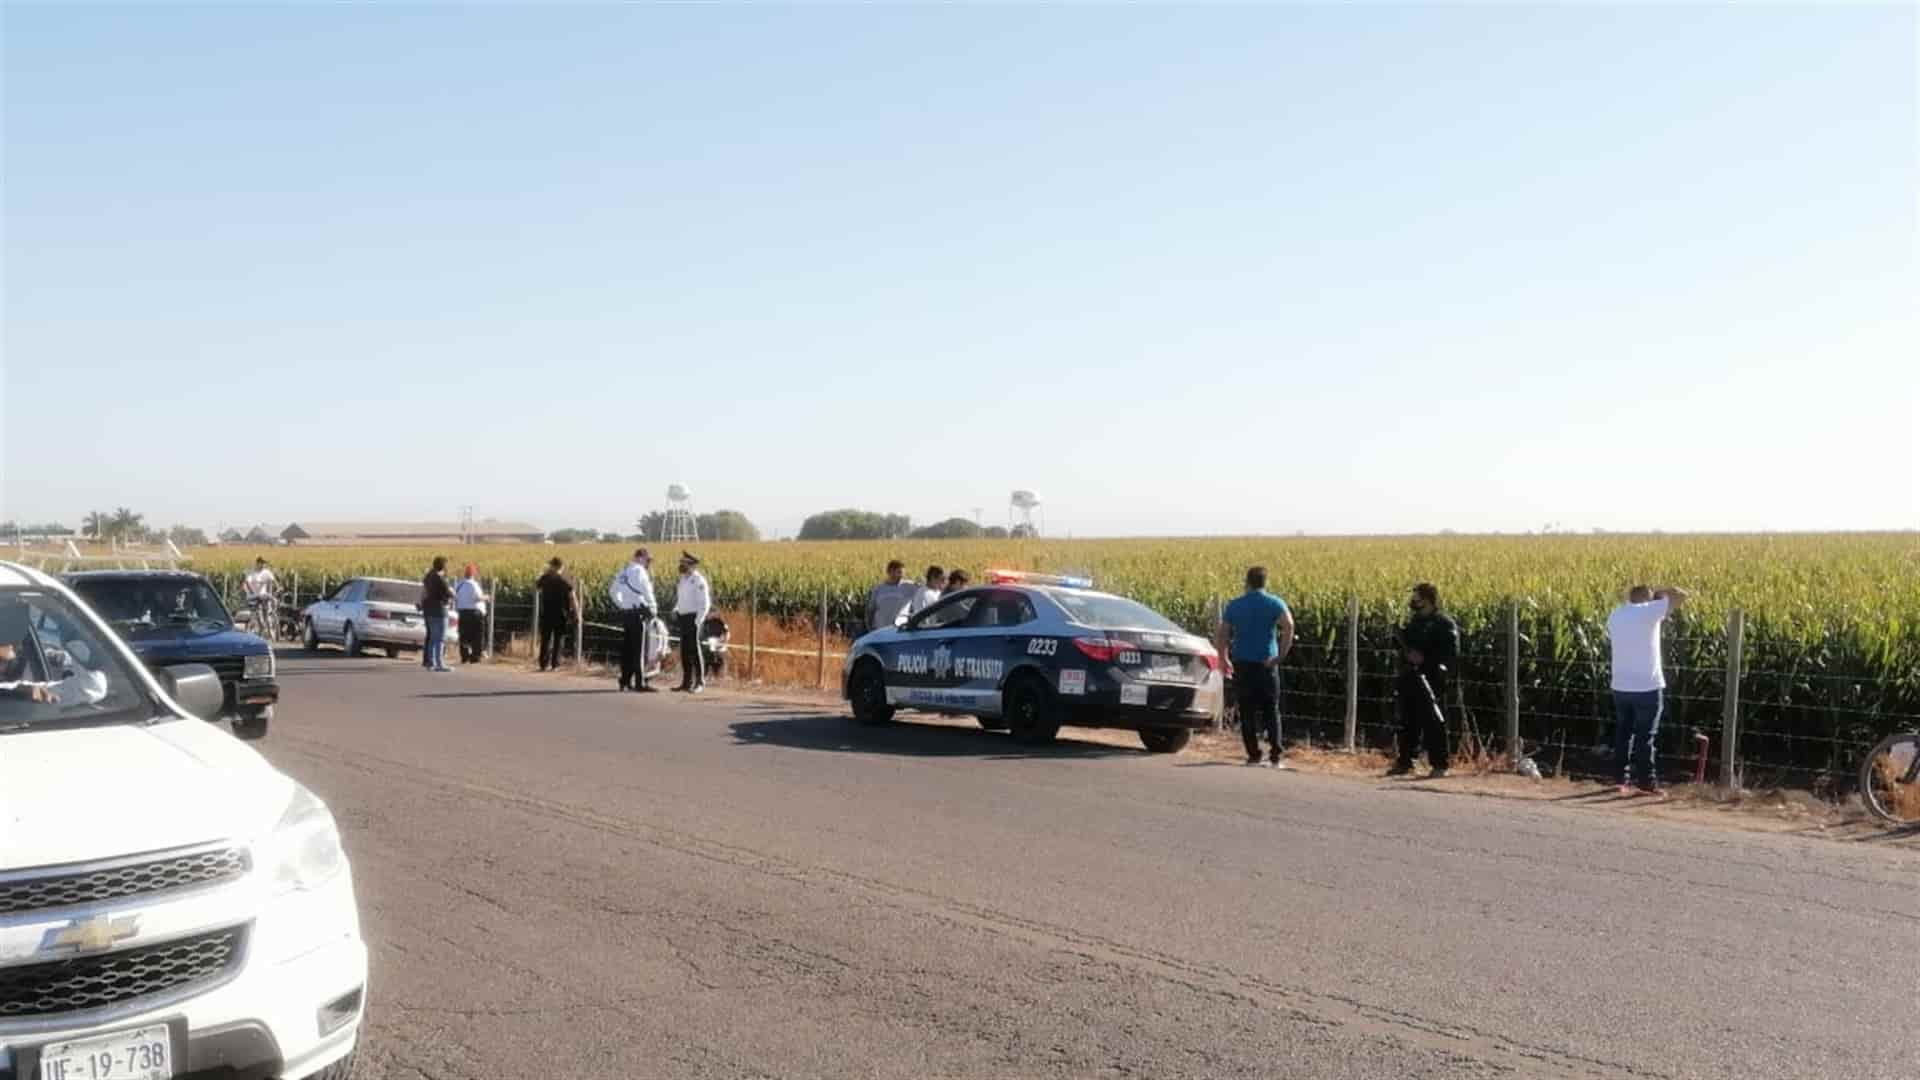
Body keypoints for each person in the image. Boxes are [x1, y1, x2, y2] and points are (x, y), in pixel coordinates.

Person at [1608, 583, 1689, 795]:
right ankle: (1646, 782)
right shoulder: (1649, 611)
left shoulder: (1615, 614)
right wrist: (1661, 592)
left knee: (1623, 733)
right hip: (1647, 686)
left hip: (1620, 685)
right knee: (1646, 736)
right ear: (1646, 597)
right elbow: (1681, 596)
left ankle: (1620, 780)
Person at [1217, 566, 1295, 769]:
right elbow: (1289, 625)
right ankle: (1276, 756)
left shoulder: (1235, 605)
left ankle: (1254, 755)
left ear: (1247, 582)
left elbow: (1223, 633)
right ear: (1264, 582)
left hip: (1242, 663)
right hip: (1267, 663)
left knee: (1247, 710)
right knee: (1271, 709)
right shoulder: (1274, 603)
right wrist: (1281, 655)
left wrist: (1223, 658)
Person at [1389, 583, 1460, 778]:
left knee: (1434, 722)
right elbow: (1405, 647)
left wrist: (1426, 660)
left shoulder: (1444, 624)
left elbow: (1450, 654)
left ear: (1428, 600)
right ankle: (1405, 762)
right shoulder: (1415, 622)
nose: (1413, 602)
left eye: (1417, 598)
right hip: (1410, 677)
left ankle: (1439, 764)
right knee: (1407, 721)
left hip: (1432, 679)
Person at [609, 548, 657, 691]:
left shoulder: (624, 570)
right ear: (641, 558)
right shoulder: (639, 571)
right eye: (647, 560)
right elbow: (647, 591)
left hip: (627, 613)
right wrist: (654, 607)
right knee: (638, 650)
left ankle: (625, 680)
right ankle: (639, 683)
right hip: (638, 613)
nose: (648, 563)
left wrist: (622, 604)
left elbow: (612, 591)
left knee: (627, 649)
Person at [672, 551, 712, 693]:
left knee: (694, 650)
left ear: (692, 565)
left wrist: (698, 620)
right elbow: (681, 598)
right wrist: (676, 608)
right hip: (683, 617)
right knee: (684, 651)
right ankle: (686, 682)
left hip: (694, 618)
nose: (681, 565)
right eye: (681, 562)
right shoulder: (683, 579)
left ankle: (699, 682)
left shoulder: (698, 580)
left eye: (684, 563)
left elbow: (705, 603)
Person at [419, 556, 456, 672]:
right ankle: (440, 664)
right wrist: (452, 594)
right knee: (440, 638)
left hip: (428, 610)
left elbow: (424, 593)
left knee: (432, 638)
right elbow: (450, 594)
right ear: (443, 566)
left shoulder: (428, 577)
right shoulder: (441, 579)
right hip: (440, 610)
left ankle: (431, 663)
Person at [865, 560, 918, 633]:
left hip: (900, 630)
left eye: (902, 573)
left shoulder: (910, 587)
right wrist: (869, 628)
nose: (901, 575)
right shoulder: (878, 589)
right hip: (880, 630)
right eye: (899, 572)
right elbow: (870, 610)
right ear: (889, 572)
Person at [454, 564, 488, 665]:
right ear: (473, 573)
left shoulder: (459, 584)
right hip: (475, 613)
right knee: (477, 636)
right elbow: (477, 597)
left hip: (462, 613)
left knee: (464, 636)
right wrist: (487, 597)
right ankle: (475, 657)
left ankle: (464, 656)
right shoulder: (473, 584)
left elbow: (455, 597)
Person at [243, 557, 278, 634]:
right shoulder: (252, 572)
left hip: (263, 595)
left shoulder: (267, 572)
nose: (263, 565)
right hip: (253, 596)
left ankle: (271, 616)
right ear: (257, 563)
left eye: (264, 563)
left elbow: (273, 581)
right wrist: (252, 593)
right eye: (261, 563)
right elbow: (247, 583)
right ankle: (258, 626)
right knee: (257, 613)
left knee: (273, 601)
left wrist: (278, 588)